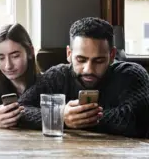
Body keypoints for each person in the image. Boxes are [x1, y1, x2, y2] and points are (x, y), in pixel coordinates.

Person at [18, 17, 149, 138]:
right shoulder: (56, 76)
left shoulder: (131, 75)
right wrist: (61, 116)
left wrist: (74, 119)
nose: (89, 69)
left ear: (112, 55)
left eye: (99, 61)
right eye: (81, 60)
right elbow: (19, 110)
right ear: (69, 54)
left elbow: (136, 119)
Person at [0, 23, 39, 128]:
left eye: (15, 56)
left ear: (30, 52)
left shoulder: (48, 82)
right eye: (1, 58)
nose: (8, 65)